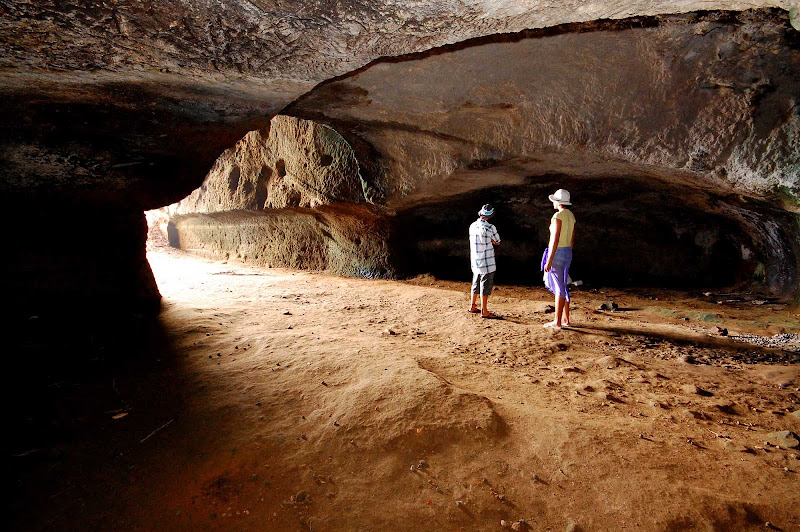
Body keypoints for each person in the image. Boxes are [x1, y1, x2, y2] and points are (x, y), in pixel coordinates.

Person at [542, 189, 576, 329]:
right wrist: (569, 253)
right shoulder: (571, 215)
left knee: (559, 287)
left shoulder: (558, 216)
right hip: (567, 251)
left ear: (558, 202)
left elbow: (554, 239)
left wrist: (549, 260)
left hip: (557, 253)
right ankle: (566, 319)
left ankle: (557, 322)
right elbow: (572, 238)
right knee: (563, 284)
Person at [468, 204, 501, 318]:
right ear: (491, 215)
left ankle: (472, 306)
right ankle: (484, 311)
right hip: (487, 262)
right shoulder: (490, 227)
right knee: (485, 285)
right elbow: (497, 241)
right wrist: (491, 240)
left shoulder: (472, 226)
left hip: (475, 260)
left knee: (475, 282)